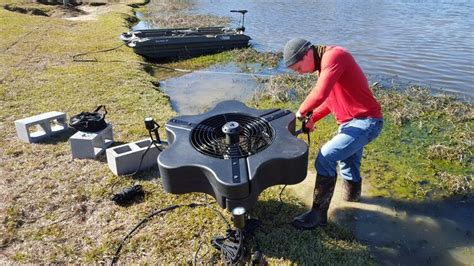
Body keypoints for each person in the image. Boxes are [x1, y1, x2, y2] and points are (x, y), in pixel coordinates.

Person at [283, 38, 384, 230]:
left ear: (307, 54)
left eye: (298, 68)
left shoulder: (335, 56)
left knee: (325, 158)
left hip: (367, 122)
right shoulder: (324, 66)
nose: (300, 72)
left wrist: (301, 111)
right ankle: (352, 203)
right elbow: (330, 100)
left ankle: (318, 215)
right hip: (350, 124)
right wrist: (314, 118)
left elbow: (320, 93)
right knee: (348, 164)